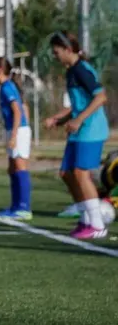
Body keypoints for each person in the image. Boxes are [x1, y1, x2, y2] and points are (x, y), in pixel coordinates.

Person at [43, 31, 110, 240]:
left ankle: (98, 225)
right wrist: (60, 119)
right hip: (79, 131)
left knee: (81, 174)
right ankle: (85, 219)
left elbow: (100, 97)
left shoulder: (82, 69)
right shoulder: (71, 71)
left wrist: (79, 119)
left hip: (91, 130)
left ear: (68, 49)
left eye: (56, 52)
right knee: (66, 174)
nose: (55, 56)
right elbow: (79, 104)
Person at [0, 57, 33, 221]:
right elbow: (24, 107)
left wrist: (15, 135)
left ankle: (24, 207)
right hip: (16, 130)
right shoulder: (6, 87)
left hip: (18, 130)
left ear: (0, 70)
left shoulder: (7, 87)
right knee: (12, 168)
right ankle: (15, 206)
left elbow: (18, 111)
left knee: (20, 166)